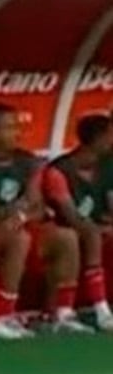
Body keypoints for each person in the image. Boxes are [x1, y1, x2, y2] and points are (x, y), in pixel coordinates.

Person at [0, 103, 88, 337]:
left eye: (17, 127)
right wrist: (11, 212)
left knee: (66, 237)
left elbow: (36, 206)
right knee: (20, 239)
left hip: (22, 225)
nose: (15, 133)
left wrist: (20, 215)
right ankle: (5, 315)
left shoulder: (29, 161)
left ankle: (61, 313)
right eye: (7, 127)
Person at [43, 113, 113, 331]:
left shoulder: (108, 166)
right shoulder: (58, 171)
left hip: (97, 227)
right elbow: (72, 217)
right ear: (99, 139)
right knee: (89, 233)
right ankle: (101, 310)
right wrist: (99, 227)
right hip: (64, 230)